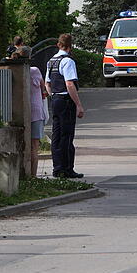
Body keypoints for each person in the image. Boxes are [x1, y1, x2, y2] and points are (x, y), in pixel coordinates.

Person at [45, 34, 85, 179]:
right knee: (67, 135)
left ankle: (57, 168)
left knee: (56, 135)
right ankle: (67, 169)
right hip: (66, 100)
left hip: (55, 99)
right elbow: (70, 84)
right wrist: (78, 105)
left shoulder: (51, 61)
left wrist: (53, 96)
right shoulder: (67, 61)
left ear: (58, 45)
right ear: (70, 46)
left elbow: (47, 84)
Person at [14, 46, 47, 177]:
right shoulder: (35, 71)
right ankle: (33, 176)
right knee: (34, 146)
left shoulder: (16, 71)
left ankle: (22, 174)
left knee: (22, 144)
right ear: (29, 57)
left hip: (19, 112)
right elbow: (43, 89)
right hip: (36, 112)